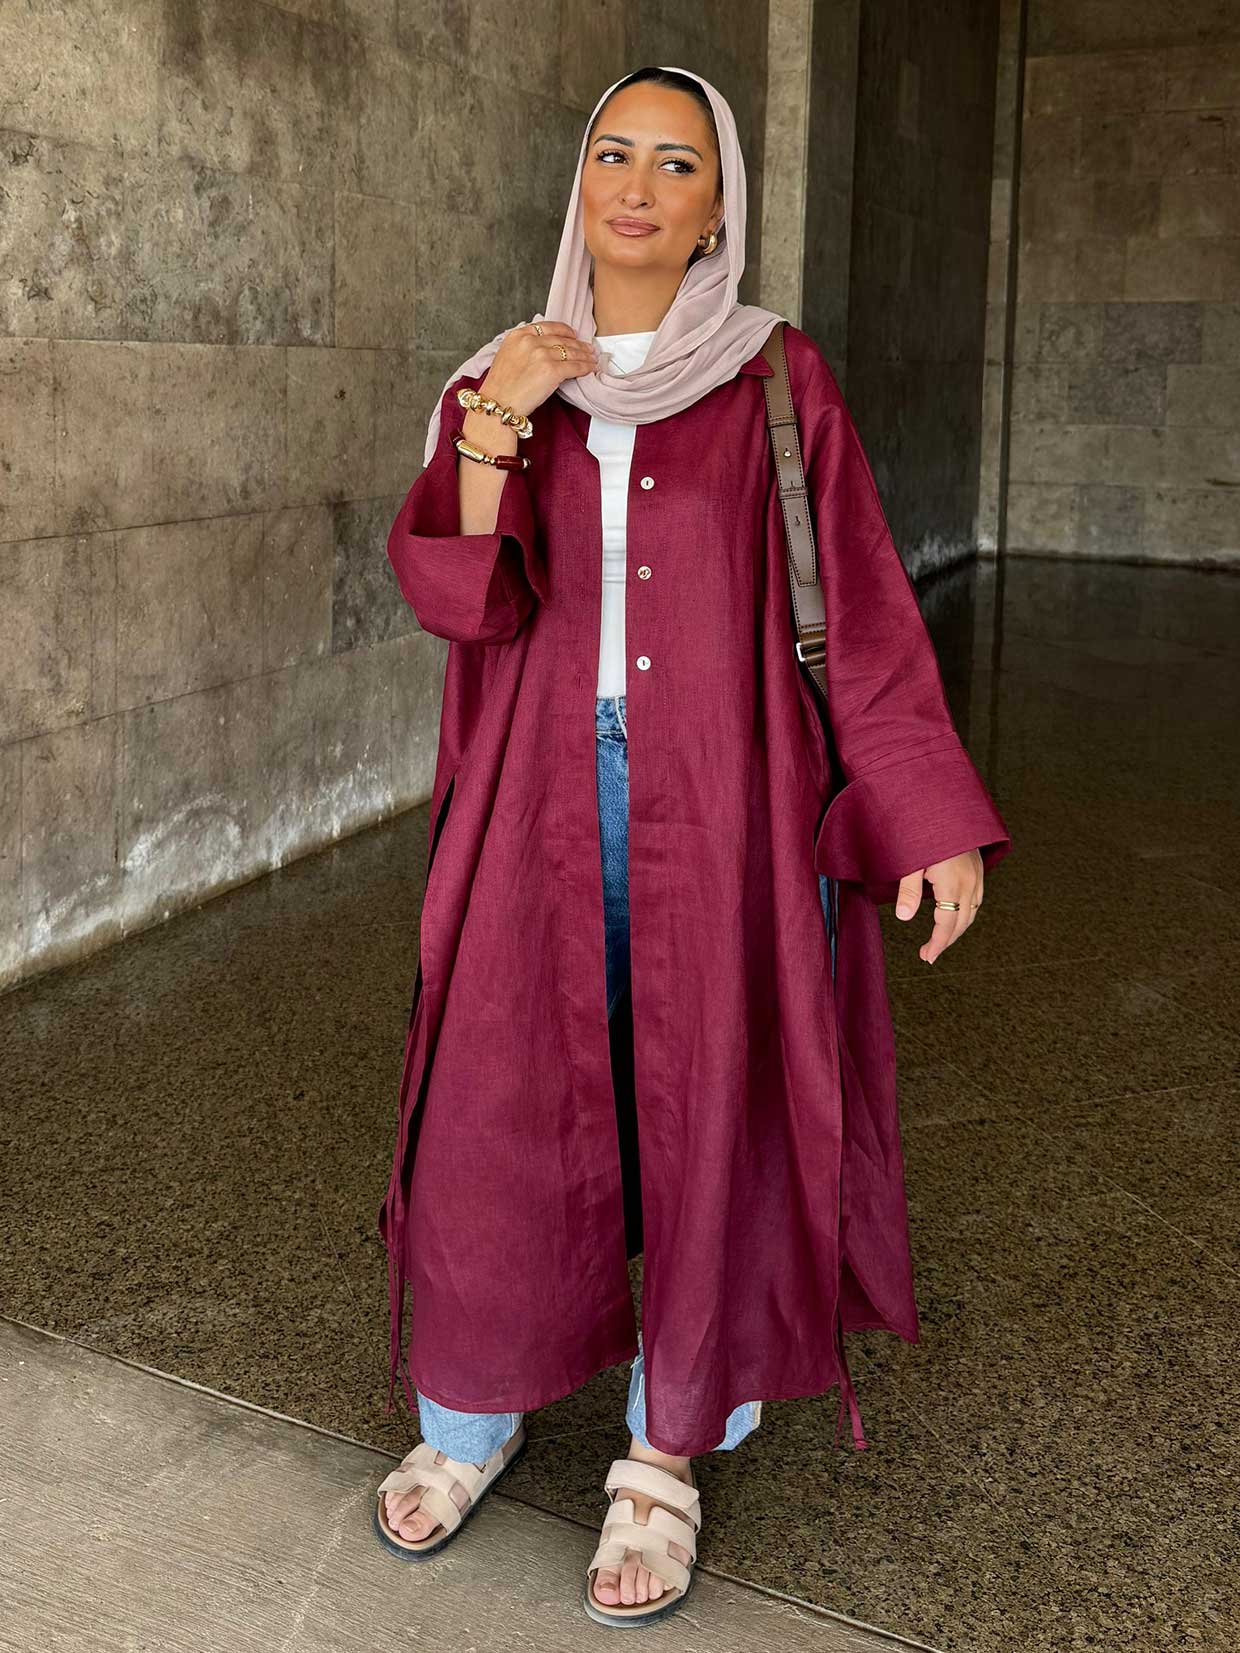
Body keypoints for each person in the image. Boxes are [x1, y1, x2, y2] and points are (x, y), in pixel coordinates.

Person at [371, 65, 1011, 1628]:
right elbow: (461, 600)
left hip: (724, 795)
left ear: (721, 204)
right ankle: (471, 1412)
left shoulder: (776, 375)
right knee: (501, 1095)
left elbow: (860, 604)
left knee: (712, 1102)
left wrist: (928, 814)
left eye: (678, 163)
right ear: (581, 182)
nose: (639, 187)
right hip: (531, 792)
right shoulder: (502, 375)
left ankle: (664, 1447)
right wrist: (502, 414)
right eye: (615, 155)